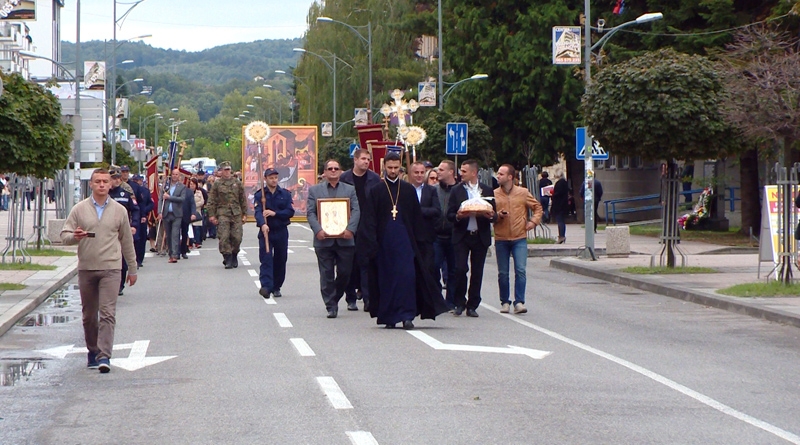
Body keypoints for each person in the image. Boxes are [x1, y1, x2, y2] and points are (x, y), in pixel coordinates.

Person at [60, 168, 138, 373]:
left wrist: (132, 268)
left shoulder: (119, 210)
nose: (102, 185)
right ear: (91, 184)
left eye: (105, 181)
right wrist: (75, 236)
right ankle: (93, 350)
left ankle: (104, 356)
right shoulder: (79, 209)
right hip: (87, 268)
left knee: (107, 313)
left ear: (110, 184)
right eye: (98, 181)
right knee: (89, 315)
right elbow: (64, 235)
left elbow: (126, 241)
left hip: (111, 268)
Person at [360, 153, 449, 329]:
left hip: (406, 243)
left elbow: (416, 219)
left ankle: (407, 315)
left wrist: (421, 244)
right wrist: (371, 244)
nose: (393, 171)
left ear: (400, 167)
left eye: (396, 168)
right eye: (390, 168)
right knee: (387, 279)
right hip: (384, 244)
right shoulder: (376, 190)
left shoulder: (408, 190)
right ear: (384, 167)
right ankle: (389, 316)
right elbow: (369, 220)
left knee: (407, 278)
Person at [307, 159, 360, 318]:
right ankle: (331, 306)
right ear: (324, 172)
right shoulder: (315, 190)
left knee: (345, 273)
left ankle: (334, 296)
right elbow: (311, 213)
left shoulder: (349, 189)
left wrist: (350, 229)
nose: (333, 171)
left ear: (340, 171)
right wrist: (318, 230)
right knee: (326, 274)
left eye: (336, 168)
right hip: (323, 240)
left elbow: (356, 210)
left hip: (345, 239)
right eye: (330, 168)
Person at [447, 159, 497, 317]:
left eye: (464, 171)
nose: (461, 174)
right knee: (460, 269)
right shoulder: (456, 190)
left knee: (477, 271)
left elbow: (494, 214)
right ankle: (459, 302)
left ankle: (473, 304)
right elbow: (449, 214)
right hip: (462, 236)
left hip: (479, 236)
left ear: (474, 173)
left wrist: (490, 215)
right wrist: (458, 216)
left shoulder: (487, 190)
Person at [494, 164, 542, 314]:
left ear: (510, 177)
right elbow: (489, 213)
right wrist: (498, 215)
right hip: (501, 237)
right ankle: (505, 302)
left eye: (501, 174)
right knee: (503, 273)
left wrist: (533, 222)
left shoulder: (523, 192)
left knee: (520, 270)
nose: (498, 176)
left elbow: (537, 207)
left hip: (519, 237)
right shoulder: (494, 194)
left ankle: (519, 302)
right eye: (498, 173)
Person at [339, 149, 381, 312]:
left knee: (366, 262)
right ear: (355, 160)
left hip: (368, 224)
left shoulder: (374, 179)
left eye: (368, 159)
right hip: (348, 224)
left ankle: (368, 298)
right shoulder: (344, 178)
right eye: (363, 159)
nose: (366, 162)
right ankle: (350, 297)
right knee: (349, 263)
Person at [254, 168, 295, 299]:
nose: (274, 180)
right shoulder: (260, 195)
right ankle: (266, 287)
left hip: (281, 230)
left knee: (280, 260)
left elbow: (290, 212)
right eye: (271, 178)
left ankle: (276, 286)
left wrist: (275, 213)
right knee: (266, 259)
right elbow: (258, 212)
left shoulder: (285, 194)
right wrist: (262, 224)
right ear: (265, 179)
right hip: (266, 231)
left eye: (275, 178)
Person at [206, 161, 248, 269]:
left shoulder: (237, 183)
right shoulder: (217, 184)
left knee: (237, 237)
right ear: (221, 171)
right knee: (224, 237)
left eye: (228, 169)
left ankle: (234, 254)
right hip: (222, 213)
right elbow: (211, 200)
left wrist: (245, 214)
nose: (227, 172)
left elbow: (243, 199)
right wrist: (212, 215)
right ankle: (227, 257)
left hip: (236, 213)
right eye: (225, 170)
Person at [108, 166, 139, 296]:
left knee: (122, 259)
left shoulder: (125, 194)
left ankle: (119, 285)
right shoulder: (104, 195)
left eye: (118, 178)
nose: (116, 180)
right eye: (113, 178)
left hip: (122, 230)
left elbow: (135, 210)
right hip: (108, 231)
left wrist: (134, 225)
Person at [409, 161, 441, 278]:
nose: (419, 175)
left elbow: (436, 210)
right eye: (416, 172)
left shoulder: (431, 190)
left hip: (427, 237)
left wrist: (417, 210)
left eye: (422, 172)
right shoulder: (405, 189)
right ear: (411, 173)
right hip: (410, 236)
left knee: (427, 269)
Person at [434, 160, 458, 308]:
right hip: (436, 234)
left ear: (451, 172)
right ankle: (437, 298)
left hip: (454, 234)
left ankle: (451, 300)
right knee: (434, 267)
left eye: (441, 169)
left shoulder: (459, 190)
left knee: (453, 270)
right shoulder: (434, 190)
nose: (438, 172)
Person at [158, 168, 186, 264]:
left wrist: (170, 197)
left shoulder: (182, 187)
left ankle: (174, 254)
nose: (174, 176)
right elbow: (160, 199)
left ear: (179, 176)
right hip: (166, 214)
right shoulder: (165, 186)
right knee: (169, 235)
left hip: (177, 214)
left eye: (176, 174)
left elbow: (182, 199)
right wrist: (159, 212)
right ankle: (170, 253)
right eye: (173, 174)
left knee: (175, 234)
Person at [127, 172, 153, 268]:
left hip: (141, 216)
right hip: (131, 216)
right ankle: (133, 259)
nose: (136, 182)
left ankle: (139, 259)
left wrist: (144, 213)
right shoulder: (128, 188)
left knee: (141, 239)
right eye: (135, 180)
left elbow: (149, 204)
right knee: (134, 239)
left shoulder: (144, 191)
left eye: (138, 180)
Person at [179, 180, 197, 260]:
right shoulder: (172, 189)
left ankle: (183, 251)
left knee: (184, 234)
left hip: (185, 215)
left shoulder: (189, 192)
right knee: (175, 234)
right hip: (175, 215)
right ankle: (175, 251)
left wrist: (193, 213)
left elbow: (192, 203)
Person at [550, 170, 569, 244]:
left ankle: (561, 236)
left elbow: (558, 193)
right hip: (563, 204)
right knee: (561, 221)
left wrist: (552, 195)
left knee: (560, 221)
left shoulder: (560, 183)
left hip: (559, 205)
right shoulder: (565, 182)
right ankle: (562, 236)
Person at [189, 179, 206, 248]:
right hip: (189, 212)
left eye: (193, 184)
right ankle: (190, 243)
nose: (192, 186)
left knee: (197, 228)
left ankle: (198, 242)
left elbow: (202, 201)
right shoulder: (187, 192)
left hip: (197, 211)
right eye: (191, 184)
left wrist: (194, 205)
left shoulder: (199, 192)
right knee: (190, 228)